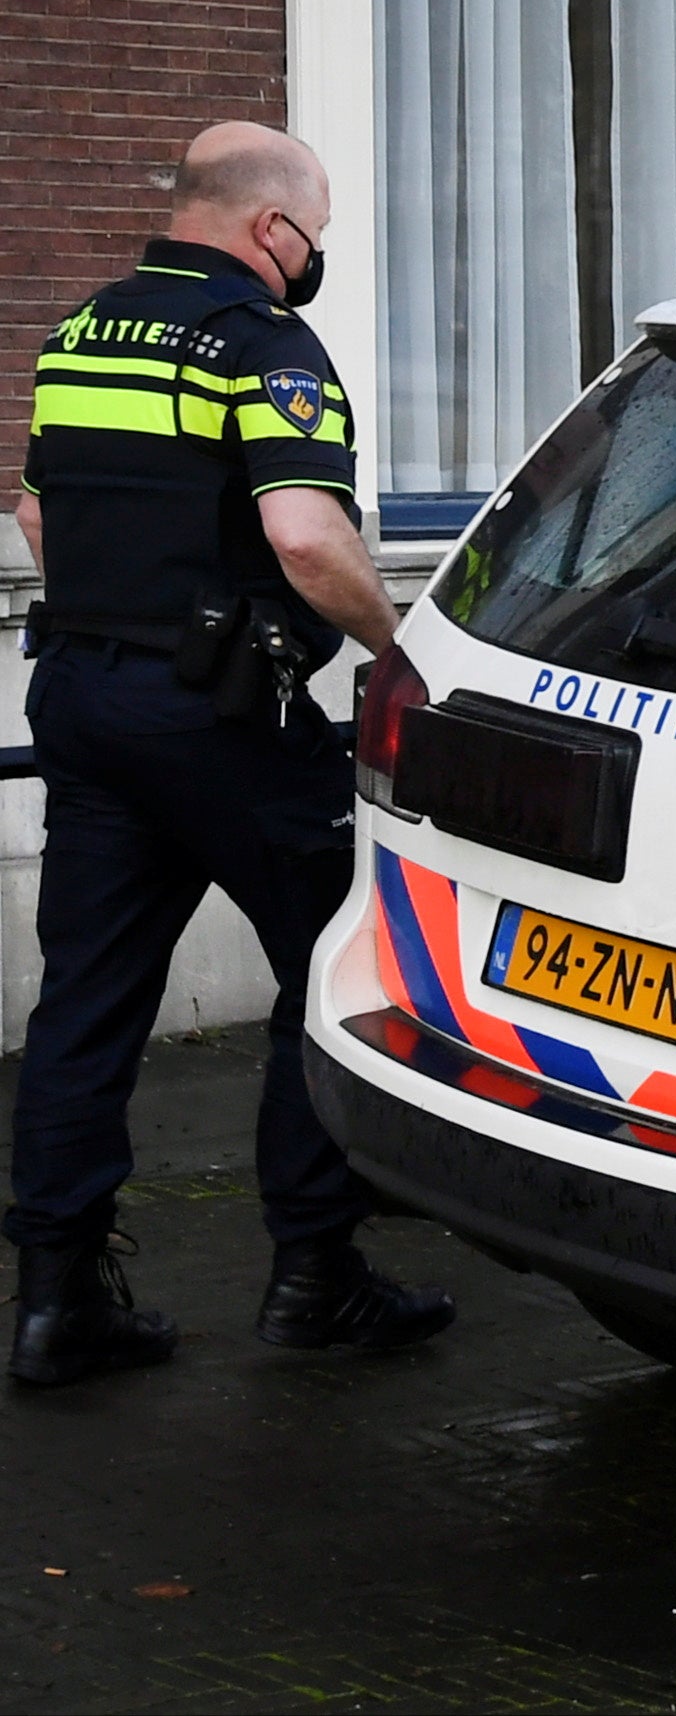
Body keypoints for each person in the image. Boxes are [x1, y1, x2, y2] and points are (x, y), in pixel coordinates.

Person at [9, 126, 454, 1388]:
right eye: (314, 239)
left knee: (88, 1000)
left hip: (86, 702)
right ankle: (317, 1275)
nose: (313, 262)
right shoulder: (264, 347)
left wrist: (123, 629)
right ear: (272, 230)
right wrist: (408, 652)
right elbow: (307, 539)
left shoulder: (82, 332)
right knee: (330, 969)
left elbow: (39, 506)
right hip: (223, 724)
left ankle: (57, 1302)